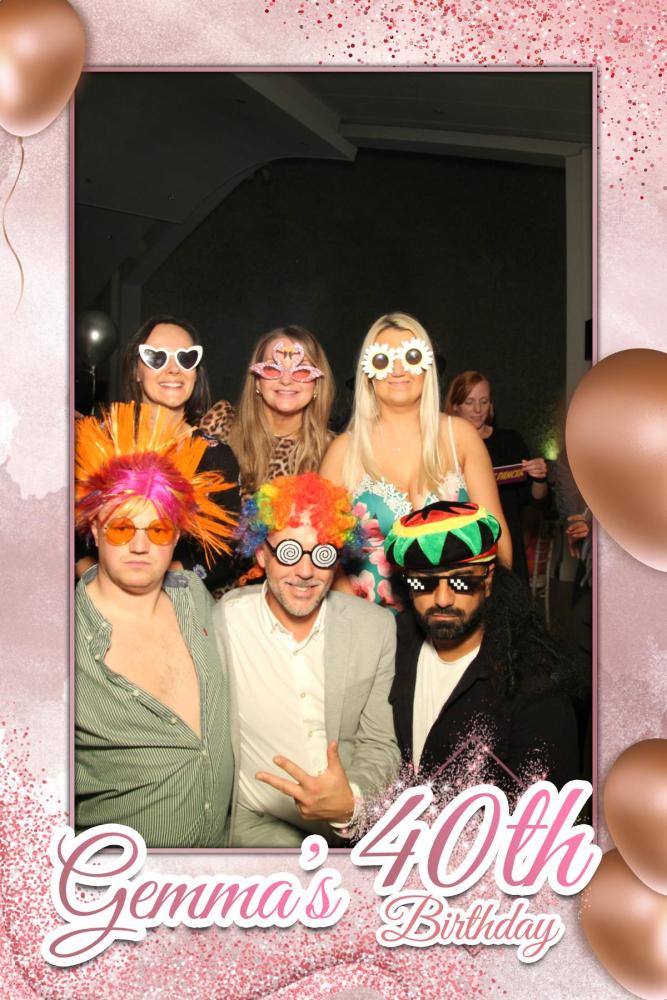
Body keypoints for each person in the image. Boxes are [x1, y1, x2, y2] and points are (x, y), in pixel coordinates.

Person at [74, 402, 237, 848]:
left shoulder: (193, 598)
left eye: (159, 530)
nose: (140, 546)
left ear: (177, 535)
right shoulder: (61, 645)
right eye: (122, 528)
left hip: (219, 872)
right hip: (117, 880)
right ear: (95, 529)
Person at [213, 472, 401, 848]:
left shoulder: (374, 628)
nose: (305, 571)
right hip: (259, 830)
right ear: (262, 554)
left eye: (322, 554)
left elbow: (380, 744)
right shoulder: (225, 621)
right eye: (288, 552)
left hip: (352, 836)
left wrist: (351, 801)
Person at [320, 313, 510, 611]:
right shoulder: (343, 452)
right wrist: (359, 621)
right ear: (368, 373)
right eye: (383, 359)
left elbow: (499, 542)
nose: (398, 369)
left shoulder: (460, 437)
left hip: (454, 620)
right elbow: (322, 551)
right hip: (369, 623)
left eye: (410, 356)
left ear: (427, 366)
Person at [385, 500, 580, 790]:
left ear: (487, 579)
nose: (442, 599)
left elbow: (547, 804)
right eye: (424, 583)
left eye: (461, 582)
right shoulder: (392, 646)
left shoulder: (532, 682)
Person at [76, 315, 242, 595]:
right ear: (136, 371)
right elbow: (64, 527)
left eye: (186, 358)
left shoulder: (216, 457)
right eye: (156, 357)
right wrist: (100, 587)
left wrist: (156, 585)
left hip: (176, 604)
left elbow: (225, 551)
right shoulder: (101, 442)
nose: (174, 369)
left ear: (195, 372)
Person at [199, 325, 335, 499]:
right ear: (257, 381)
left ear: (316, 384)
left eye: (301, 371)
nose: (286, 380)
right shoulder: (220, 425)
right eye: (272, 369)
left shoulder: (332, 452)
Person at [445, 370, 549, 584]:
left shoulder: (510, 440)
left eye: (484, 402)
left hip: (506, 544)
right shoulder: (444, 445)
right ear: (455, 406)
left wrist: (539, 478)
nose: (478, 410)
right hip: (461, 548)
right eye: (469, 402)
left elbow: (535, 500)